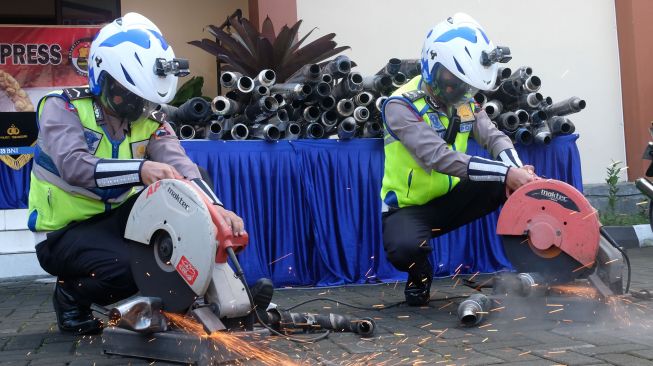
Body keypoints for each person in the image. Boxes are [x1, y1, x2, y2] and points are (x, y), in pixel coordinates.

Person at [27, 13, 245, 335]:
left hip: (117, 220)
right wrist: (140, 169)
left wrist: (216, 210)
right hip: (62, 233)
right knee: (129, 270)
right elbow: (75, 167)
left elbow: (182, 166)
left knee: (192, 200)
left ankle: (216, 299)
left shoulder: (149, 116)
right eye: (128, 94)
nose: (138, 107)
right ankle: (72, 295)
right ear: (103, 78)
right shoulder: (64, 108)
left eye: (143, 98)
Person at [381, 13, 537, 306]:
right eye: (451, 82)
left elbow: (493, 137)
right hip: (409, 209)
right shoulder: (400, 106)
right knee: (404, 249)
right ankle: (420, 274)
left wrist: (517, 171)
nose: (459, 91)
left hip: (455, 197)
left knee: (512, 184)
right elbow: (439, 156)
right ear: (432, 68)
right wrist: (506, 172)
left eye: (465, 85)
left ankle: (536, 260)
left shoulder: (464, 101)